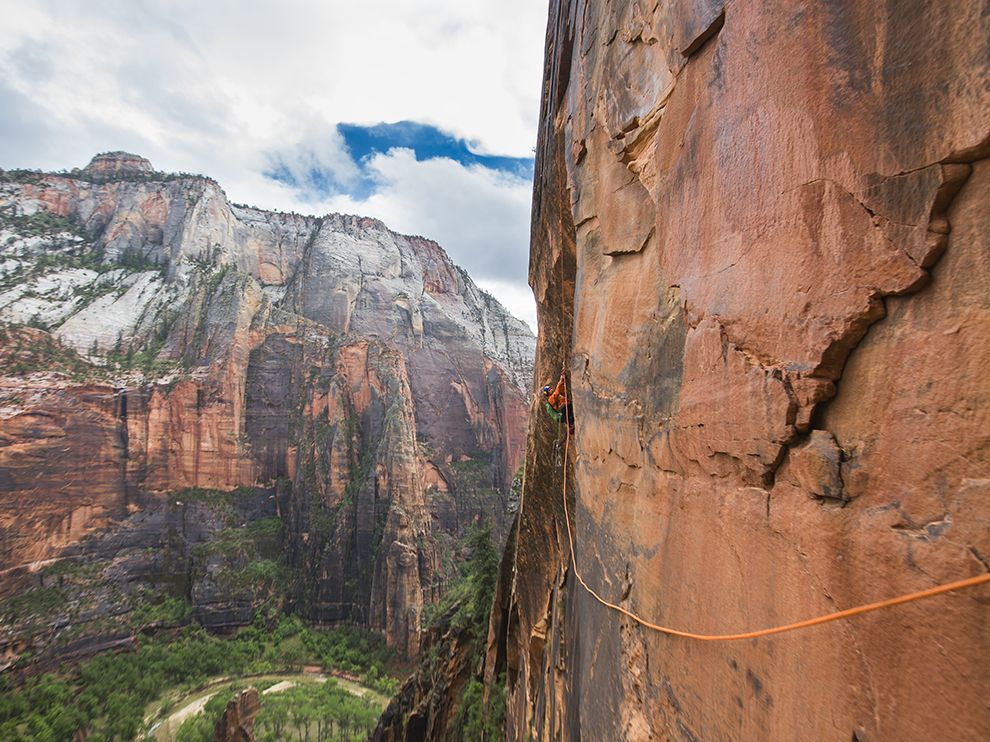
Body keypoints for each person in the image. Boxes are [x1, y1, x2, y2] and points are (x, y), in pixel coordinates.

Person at [542, 369, 574, 434]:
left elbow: (561, 391)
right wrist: (561, 379)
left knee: (567, 409)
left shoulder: (552, 399)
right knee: (568, 406)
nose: (551, 389)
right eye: (550, 389)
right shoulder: (551, 399)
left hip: (559, 417)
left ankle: (571, 425)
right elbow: (558, 390)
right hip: (559, 416)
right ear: (548, 392)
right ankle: (570, 424)